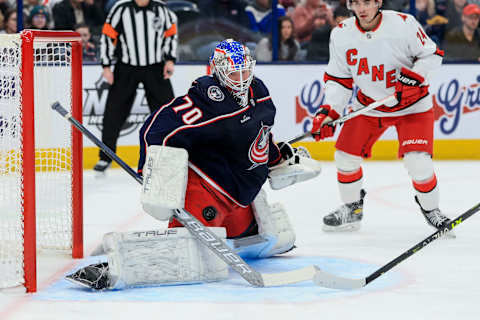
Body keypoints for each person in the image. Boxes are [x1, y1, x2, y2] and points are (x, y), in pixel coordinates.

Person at [65, 39, 322, 290]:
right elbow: (155, 130)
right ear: (218, 72)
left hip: (241, 200)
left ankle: (239, 227)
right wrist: (153, 174)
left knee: (262, 237)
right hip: (207, 194)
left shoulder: (261, 92)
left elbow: (261, 134)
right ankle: (113, 265)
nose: (242, 78)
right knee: (188, 254)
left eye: (245, 70)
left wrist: (277, 158)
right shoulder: (206, 101)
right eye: (234, 73)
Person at [310, 0, 454, 233]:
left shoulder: (403, 24)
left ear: (378, 2)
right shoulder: (341, 34)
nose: (362, 8)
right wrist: (330, 111)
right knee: (345, 157)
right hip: (369, 106)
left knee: (418, 162)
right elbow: (339, 79)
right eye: (356, 3)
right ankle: (352, 208)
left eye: (367, 2)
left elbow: (432, 56)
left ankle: (432, 209)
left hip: (412, 106)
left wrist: (414, 77)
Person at [94, 0, 178, 174]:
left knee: (168, 112)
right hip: (126, 67)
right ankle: (105, 156)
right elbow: (108, 35)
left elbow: (171, 33)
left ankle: (172, 154)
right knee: (114, 111)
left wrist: (170, 59)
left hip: (155, 67)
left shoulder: (161, 9)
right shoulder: (121, 8)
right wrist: (106, 66)